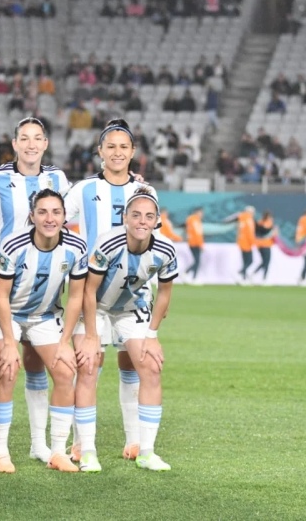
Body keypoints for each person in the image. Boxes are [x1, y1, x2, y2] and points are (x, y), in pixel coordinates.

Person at [63, 118, 156, 463]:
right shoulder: (83, 189)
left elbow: (153, 243)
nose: (117, 153)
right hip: (93, 296)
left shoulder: (146, 193)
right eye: (110, 146)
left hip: (133, 296)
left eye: (124, 147)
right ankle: (80, 443)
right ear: (100, 151)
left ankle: (134, 442)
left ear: (133, 152)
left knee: (133, 363)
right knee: (90, 365)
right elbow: (54, 221)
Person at [0, 117, 71, 463]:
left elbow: (70, 212)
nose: (31, 144)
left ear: (45, 144)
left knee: (37, 367)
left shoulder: (58, 179)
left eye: (37, 138)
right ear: (14, 143)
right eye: (24, 138)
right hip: (3, 282)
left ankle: (40, 445)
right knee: (2, 366)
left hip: (43, 289)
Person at [77, 188, 178, 472]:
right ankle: (87, 450)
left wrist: (152, 335)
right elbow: (89, 290)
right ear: (125, 218)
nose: (141, 221)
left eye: (148, 216)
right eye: (135, 215)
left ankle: (146, 451)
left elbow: (165, 296)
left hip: (131, 308)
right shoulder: (108, 243)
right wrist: (90, 336)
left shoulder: (166, 249)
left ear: (157, 220)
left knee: (151, 367)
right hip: (96, 307)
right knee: (87, 366)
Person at [0, 189, 87, 473]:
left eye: (56, 212)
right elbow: (1, 296)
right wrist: (9, 341)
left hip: (44, 316)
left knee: (65, 371)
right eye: (42, 212)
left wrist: (65, 341)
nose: (49, 218)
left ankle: (57, 450)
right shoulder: (13, 245)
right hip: (7, 315)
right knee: (7, 369)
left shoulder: (76, 247)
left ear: (64, 217)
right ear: (32, 216)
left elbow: (76, 297)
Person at [232, 206, 256, 283]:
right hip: (247, 243)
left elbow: (239, 230)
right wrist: (253, 242)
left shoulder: (241, 218)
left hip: (241, 242)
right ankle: (240, 273)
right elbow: (249, 232)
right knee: (250, 260)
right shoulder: (248, 219)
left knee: (245, 261)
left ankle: (243, 278)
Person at [252, 210, 275, 282]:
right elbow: (267, 233)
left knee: (264, 261)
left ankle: (256, 274)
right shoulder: (268, 223)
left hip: (259, 244)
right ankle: (263, 278)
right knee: (266, 262)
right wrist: (274, 231)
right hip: (266, 244)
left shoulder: (259, 222)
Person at [185, 207, 204, 283]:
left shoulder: (190, 219)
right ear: (197, 212)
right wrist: (201, 244)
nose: (202, 214)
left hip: (191, 242)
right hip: (195, 243)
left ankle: (188, 274)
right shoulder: (195, 220)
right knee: (198, 261)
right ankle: (193, 277)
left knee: (197, 261)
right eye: (201, 213)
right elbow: (197, 233)